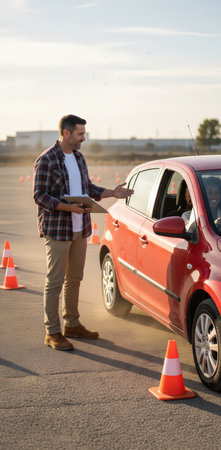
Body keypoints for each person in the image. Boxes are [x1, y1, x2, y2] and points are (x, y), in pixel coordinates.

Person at [33, 114, 134, 351]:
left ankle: (72, 324)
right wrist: (68, 207)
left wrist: (113, 193)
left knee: (74, 280)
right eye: (80, 134)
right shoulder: (46, 159)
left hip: (80, 229)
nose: (83, 138)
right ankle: (53, 332)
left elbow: (88, 188)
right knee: (55, 282)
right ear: (66, 133)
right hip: (58, 230)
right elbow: (39, 195)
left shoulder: (78, 157)